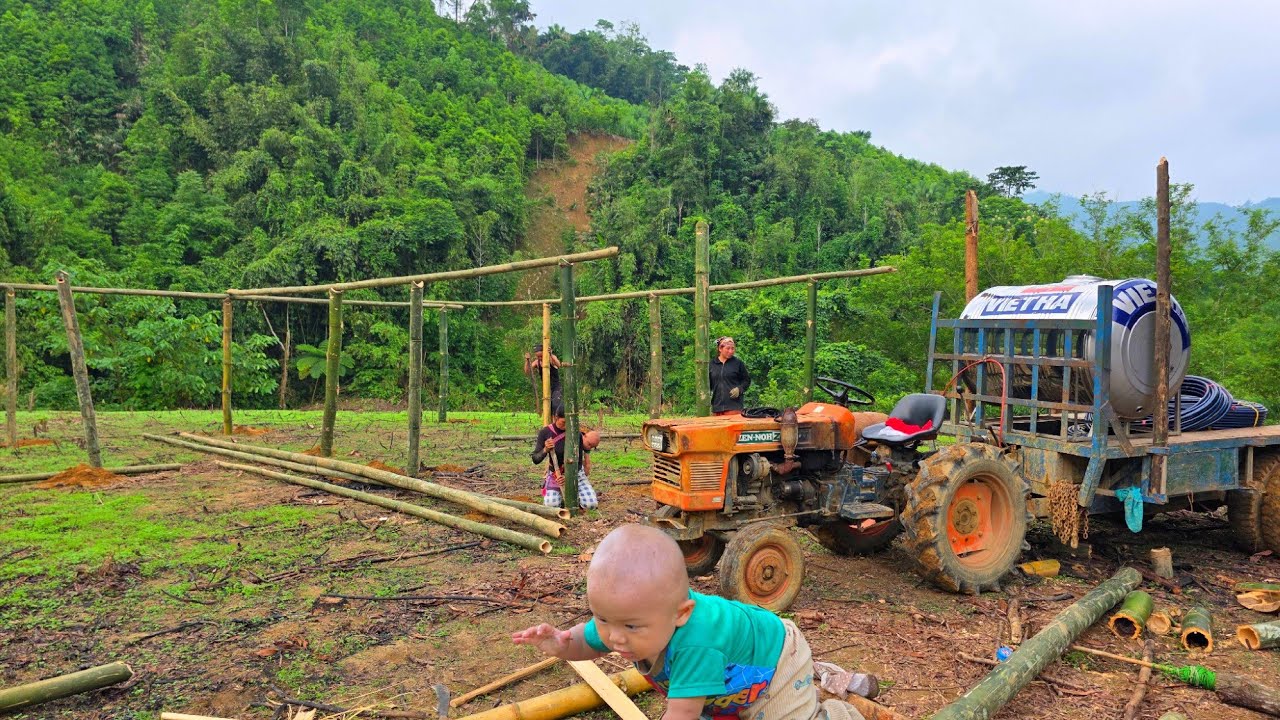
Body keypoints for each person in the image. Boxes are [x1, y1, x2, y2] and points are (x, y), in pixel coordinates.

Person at [512, 524, 878, 720]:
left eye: (631, 627)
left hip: (776, 659)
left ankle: (836, 713)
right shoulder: (626, 617)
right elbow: (587, 640)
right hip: (730, 676)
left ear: (681, 614)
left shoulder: (695, 643)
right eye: (604, 619)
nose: (615, 638)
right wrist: (560, 643)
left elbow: (682, 713)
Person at [531, 404, 600, 509]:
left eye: (569, 422)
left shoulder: (576, 433)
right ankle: (555, 492)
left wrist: (568, 477)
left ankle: (575, 495)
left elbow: (579, 462)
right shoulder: (545, 432)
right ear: (555, 417)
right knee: (551, 506)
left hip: (575, 472)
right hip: (555, 474)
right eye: (564, 422)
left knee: (591, 504)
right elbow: (535, 459)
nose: (567, 425)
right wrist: (545, 449)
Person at [710, 336, 750, 416]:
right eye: (728, 348)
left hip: (734, 407)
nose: (731, 351)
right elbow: (708, 384)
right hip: (717, 407)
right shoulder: (712, 364)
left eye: (733, 348)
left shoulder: (738, 363)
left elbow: (747, 381)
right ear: (720, 349)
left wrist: (739, 389)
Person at [524, 344, 562, 410]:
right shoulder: (537, 362)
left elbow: (558, 365)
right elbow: (527, 372)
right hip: (546, 388)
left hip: (556, 388)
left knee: (555, 405)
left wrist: (550, 354)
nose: (540, 358)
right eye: (538, 357)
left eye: (541, 356)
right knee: (547, 407)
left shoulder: (551, 358)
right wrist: (527, 360)